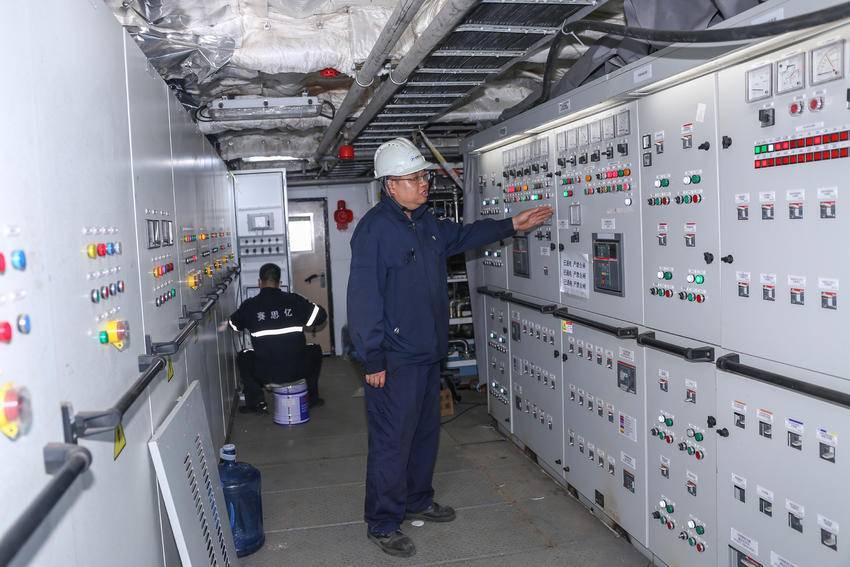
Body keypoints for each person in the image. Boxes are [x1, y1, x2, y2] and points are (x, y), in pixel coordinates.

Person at [347, 138, 553, 557]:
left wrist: (511, 224)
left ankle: (417, 498)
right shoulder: (374, 231)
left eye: (424, 176)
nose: (424, 183)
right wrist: (372, 359)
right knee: (392, 442)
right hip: (394, 358)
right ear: (390, 185)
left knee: (425, 434)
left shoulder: (427, 223)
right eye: (414, 178)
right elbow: (363, 299)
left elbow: (466, 235)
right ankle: (383, 522)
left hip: (428, 352)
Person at [229, 263, 327, 412]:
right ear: (279, 282)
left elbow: (233, 325)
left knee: (243, 357)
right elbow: (321, 317)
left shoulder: (250, 306)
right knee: (315, 350)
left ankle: (256, 403)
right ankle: (311, 399)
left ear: (259, 283)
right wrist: (310, 305)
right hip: (298, 369)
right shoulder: (295, 300)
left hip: (265, 373)